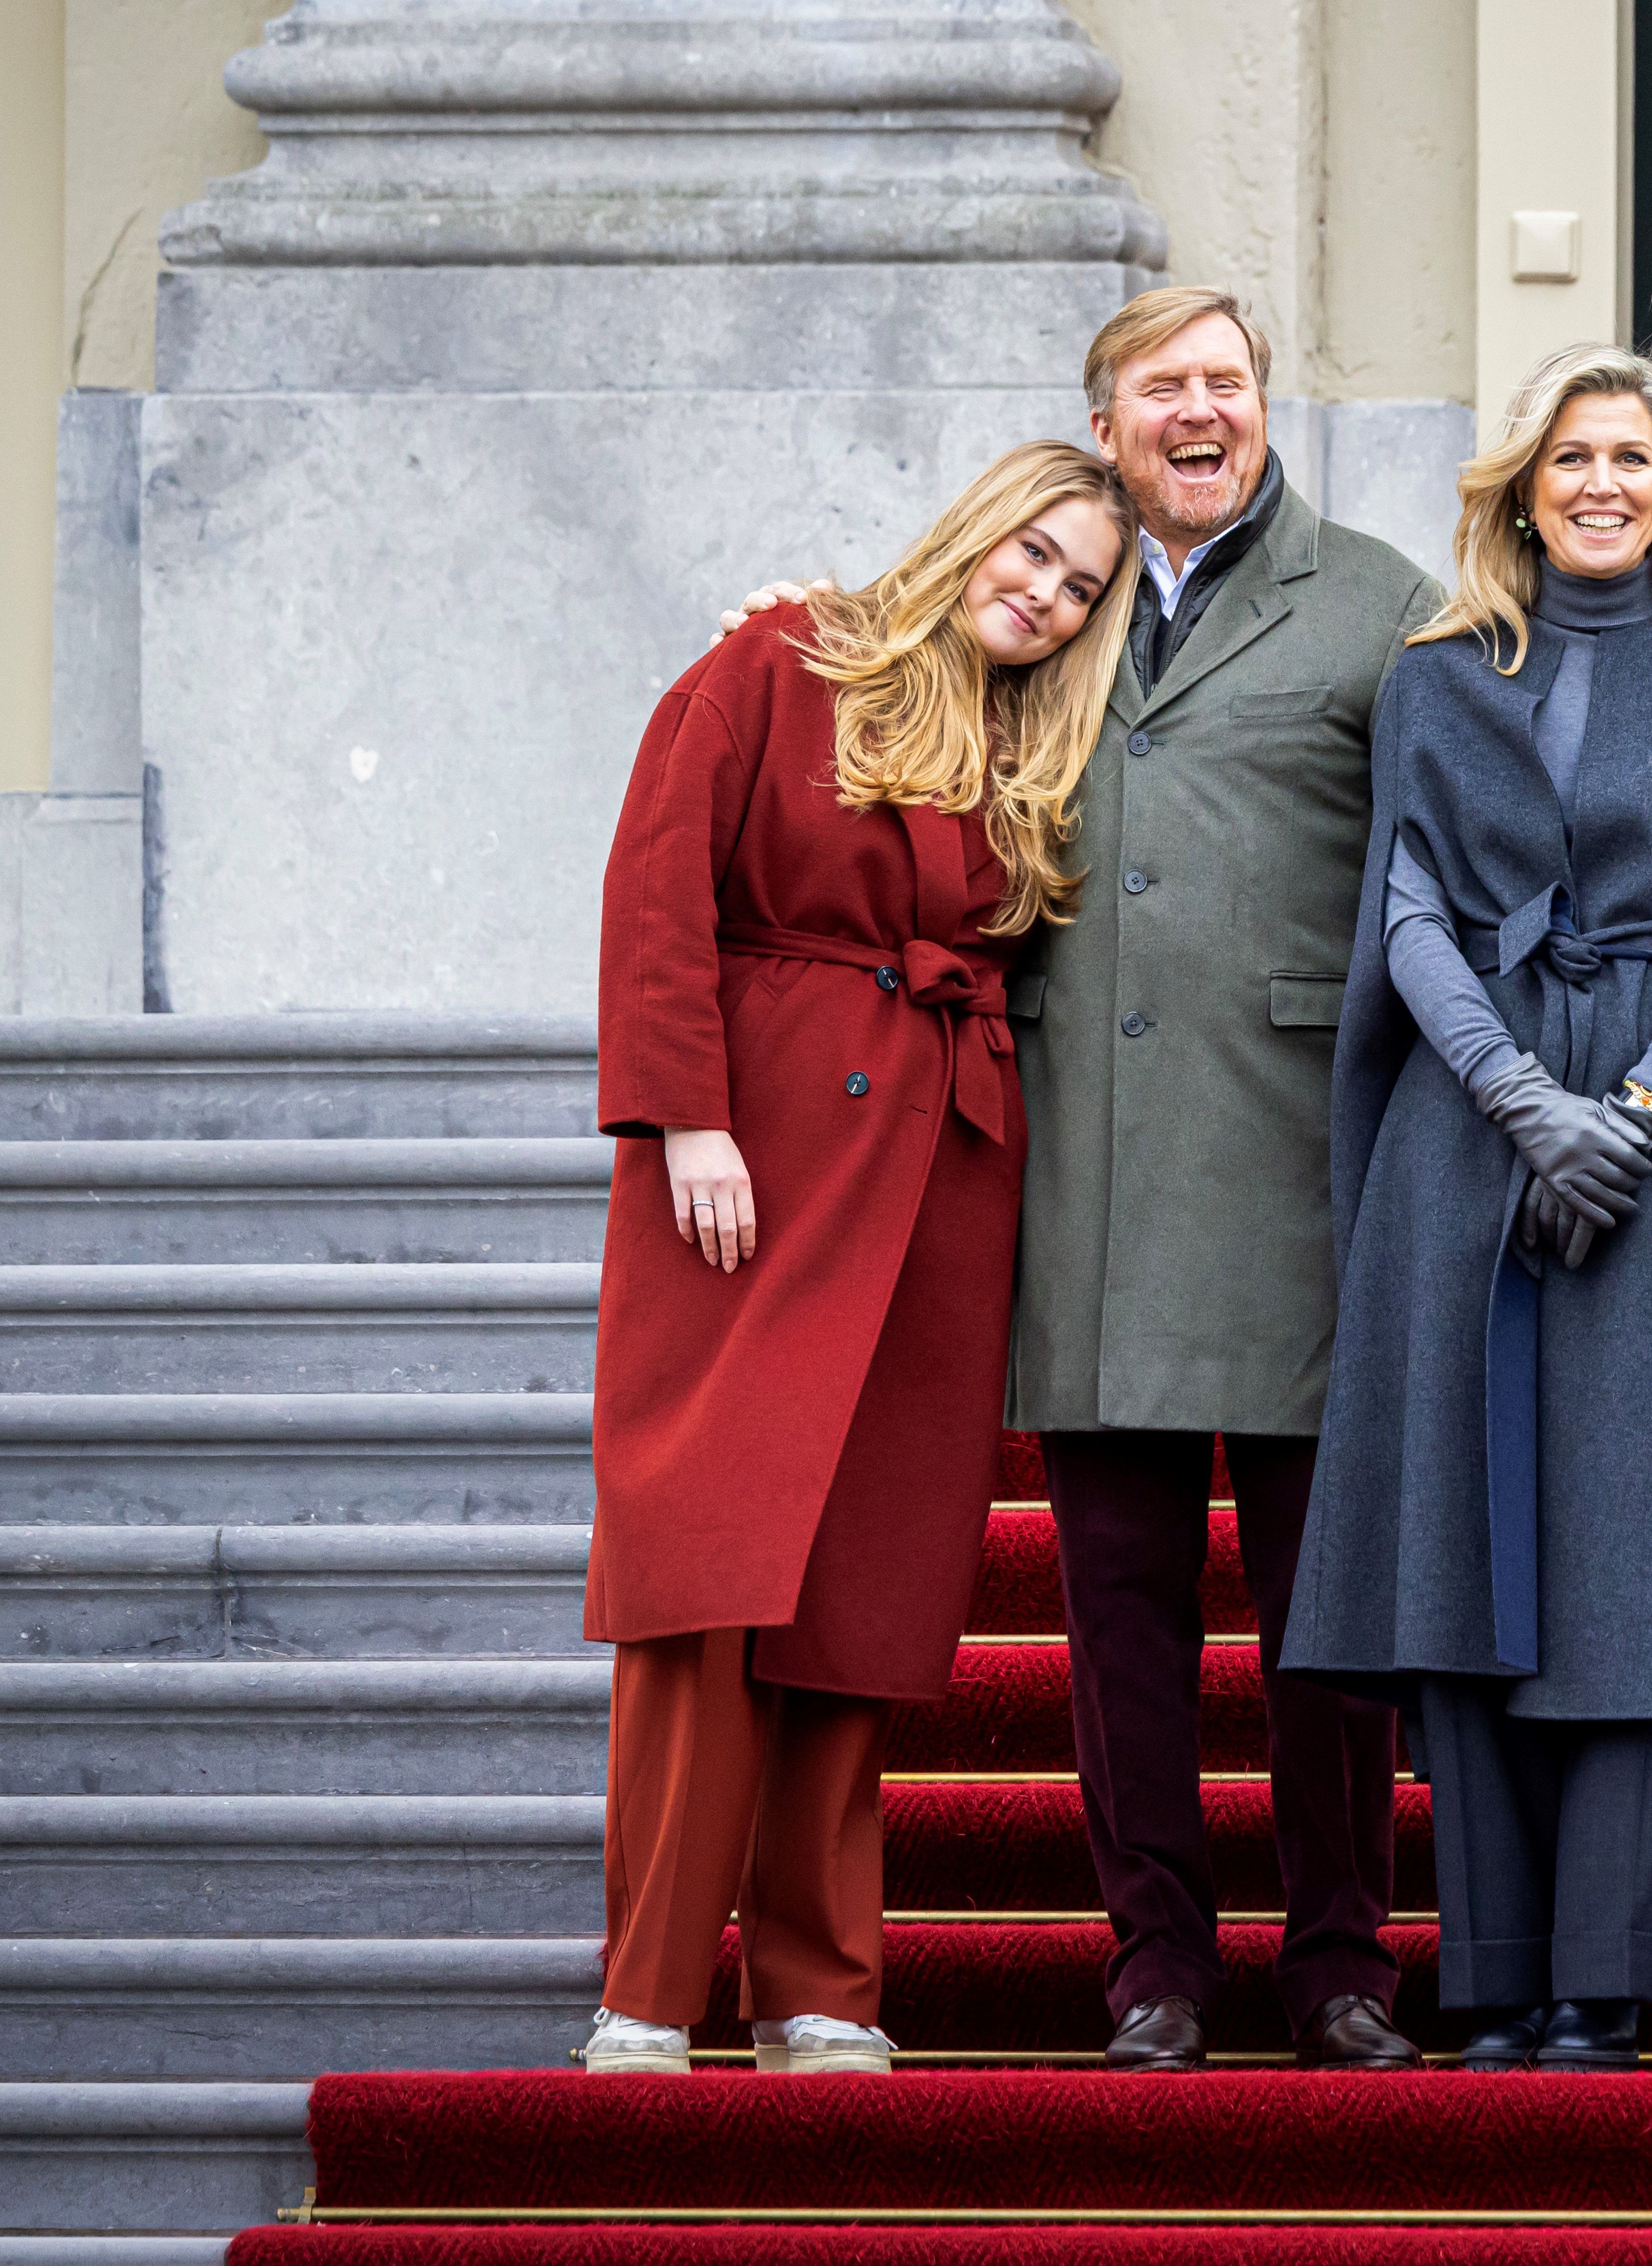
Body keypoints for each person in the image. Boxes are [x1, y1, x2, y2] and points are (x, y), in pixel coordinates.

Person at [721, 286, 1444, 2076]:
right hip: (1081, 1170)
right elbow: (878, 691)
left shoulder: (1380, 606)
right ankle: (1158, 1969)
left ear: (1267, 407)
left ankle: (1343, 1963)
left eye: (1229, 384)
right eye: (1160, 390)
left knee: (1323, 1617)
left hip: (1301, 1159)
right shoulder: (1058, 589)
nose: (1199, 413)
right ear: (1107, 419)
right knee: (1115, 1608)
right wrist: (775, 628)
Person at [1279, 342, 1652, 2073]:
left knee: (1638, 1564)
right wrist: (1525, 1106)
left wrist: (1643, 1110)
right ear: (1523, 485)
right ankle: (1492, 1981)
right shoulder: (1437, 677)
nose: (1605, 483)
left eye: (1637, 458)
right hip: (1470, 1138)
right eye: (1574, 457)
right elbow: (1412, 918)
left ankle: (1603, 1984)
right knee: (1471, 1548)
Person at [581, 441, 1136, 2078]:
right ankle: (650, 1995)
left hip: (935, 1182)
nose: (1041, 594)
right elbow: (656, 895)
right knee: (706, 1577)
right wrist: (686, 1121)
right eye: (1031, 553)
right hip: (747, 1169)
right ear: (975, 529)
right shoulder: (778, 662)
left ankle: (820, 1989)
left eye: (1078, 587)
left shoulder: (1038, 750)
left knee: (856, 1598)